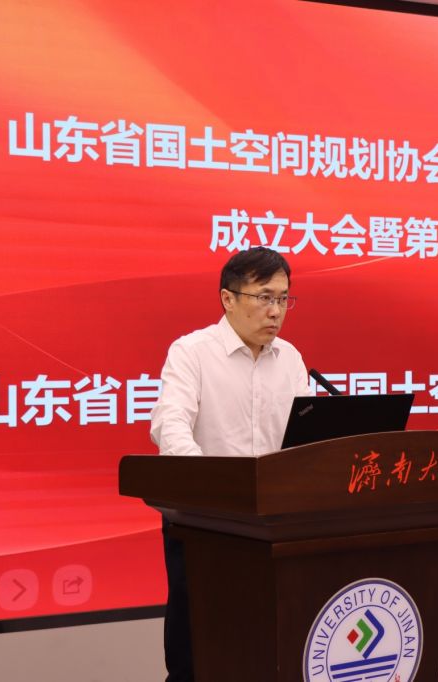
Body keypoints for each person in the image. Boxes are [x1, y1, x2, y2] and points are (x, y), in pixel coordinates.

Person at [148, 247, 310, 681]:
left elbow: (304, 442)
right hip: (203, 520)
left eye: (283, 299)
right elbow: (169, 426)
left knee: (267, 641)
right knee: (198, 645)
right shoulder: (192, 352)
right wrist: (214, 487)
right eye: (264, 297)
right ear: (228, 299)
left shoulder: (291, 359)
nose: (276, 311)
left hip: (274, 520)